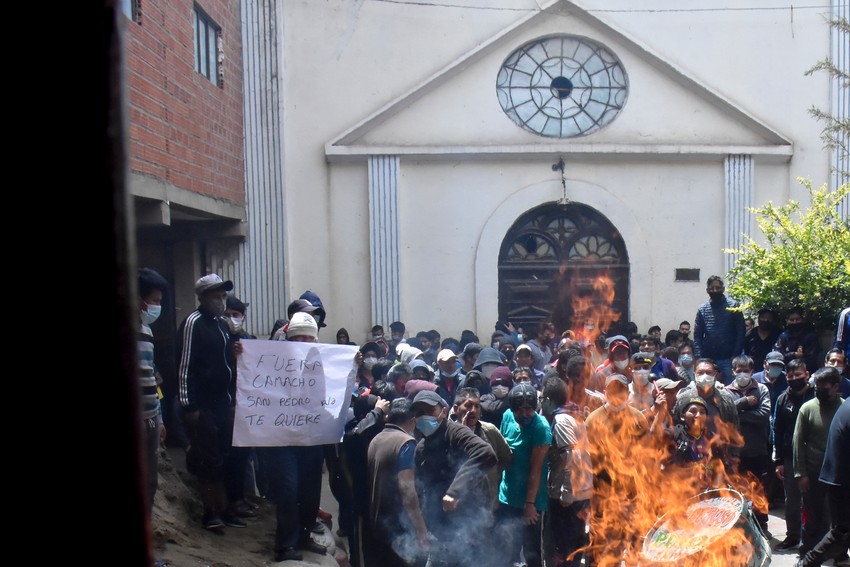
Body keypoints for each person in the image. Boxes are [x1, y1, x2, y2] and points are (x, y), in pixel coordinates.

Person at [259, 312, 333, 562]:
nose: (303, 342)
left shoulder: (323, 360)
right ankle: (285, 545)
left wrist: (352, 362)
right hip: (282, 439)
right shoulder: (270, 360)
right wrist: (241, 356)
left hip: (311, 436)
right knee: (289, 490)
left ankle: (303, 536)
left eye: (308, 338)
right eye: (298, 337)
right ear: (289, 338)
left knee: (310, 491)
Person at [177, 273, 247, 530]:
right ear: (202, 297)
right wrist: (189, 407)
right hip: (203, 407)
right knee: (208, 461)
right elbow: (185, 368)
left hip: (223, 404)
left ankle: (226, 509)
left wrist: (235, 351)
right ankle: (211, 513)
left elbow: (225, 362)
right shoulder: (193, 323)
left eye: (223, 295)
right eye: (216, 296)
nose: (221, 300)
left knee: (224, 457)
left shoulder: (221, 324)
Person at [411, 390, 497, 567]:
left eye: (429, 410)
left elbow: (485, 453)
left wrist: (455, 492)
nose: (424, 416)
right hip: (440, 529)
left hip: (470, 524)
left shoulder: (456, 432)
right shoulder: (421, 449)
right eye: (419, 413)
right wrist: (423, 528)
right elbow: (421, 489)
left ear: (443, 411)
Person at [585, 374, 649, 564]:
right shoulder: (593, 420)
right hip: (603, 495)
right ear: (604, 392)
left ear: (628, 392)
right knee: (604, 546)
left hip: (633, 494)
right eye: (611, 390)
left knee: (634, 546)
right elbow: (588, 462)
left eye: (620, 389)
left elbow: (646, 458)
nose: (616, 394)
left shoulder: (638, 418)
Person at [366, 397, 432, 567]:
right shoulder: (406, 443)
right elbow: (407, 490)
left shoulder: (376, 439)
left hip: (378, 521)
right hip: (400, 526)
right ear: (412, 421)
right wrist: (422, 531)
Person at [496, 383, 551, 567]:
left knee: (532, 553)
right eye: (521, 410)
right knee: (506, 551)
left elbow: (536, 469)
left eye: (530, 409)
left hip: (531, 501)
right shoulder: (507, 417)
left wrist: (529, 505)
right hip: (507, 497)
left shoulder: (540, 428)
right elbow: (503, 451)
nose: (526, 413)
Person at [793, 366, 845, 557]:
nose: (819, 389)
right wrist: (801, 473)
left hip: (838, 476)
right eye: (817, 386)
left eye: (824, 386)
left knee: (838, 519)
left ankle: (838, 555)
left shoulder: (844, 409)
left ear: (835, 386)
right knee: (811, 517)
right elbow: (797, 441)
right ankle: (807, 553)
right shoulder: (807, 409)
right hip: (813, 473)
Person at [540, 375, 592, 567]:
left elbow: (571, 456)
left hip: (569, 496)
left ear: (549, 399)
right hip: (579, 492)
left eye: (543, 398)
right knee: (573, 547)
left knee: (566, 549)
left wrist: (566, 491)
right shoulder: (572, 415)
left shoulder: (561, 420)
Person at [137, 267, 169, 554]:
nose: (155, 306)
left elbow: (149, 377)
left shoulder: (146, 330)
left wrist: (158, 418)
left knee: (150, 485)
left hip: (149, 419)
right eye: (153, 300)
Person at [773, 359, 816, 552]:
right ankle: (792, 537)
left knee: (816, 499)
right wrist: (779, 460)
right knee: (792, 500)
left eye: (798, 375)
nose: (794, 379)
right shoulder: (782, 399)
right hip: (790, 458)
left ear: (806, 375)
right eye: (790, 376)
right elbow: (777, 429)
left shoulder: (816, 396)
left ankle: (816, 539)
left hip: (814, 456)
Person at [726, 361, 772, 536]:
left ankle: (762, 526)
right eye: (739, 371)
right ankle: (740, 528)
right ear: (733, 371)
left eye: (746, 371)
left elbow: (763, 415)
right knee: (736, 492)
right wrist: (745, 402)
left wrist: (738, 414)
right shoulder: (727, 391)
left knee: (759, 490)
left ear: (753, 371)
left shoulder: (762, 390)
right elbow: (727, 415)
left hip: (757, 450)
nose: (743, 374)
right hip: (735, 452)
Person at [451, 387, 513, 513]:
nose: (473, 410)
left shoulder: (489, 430)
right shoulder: (447, 433)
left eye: (477, 406)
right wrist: (463, 432)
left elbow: (506, 457)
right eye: (468, 406)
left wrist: (492, 472)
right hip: (459, 509)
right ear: (457, 409)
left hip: (487, 506)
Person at [693, 275, 746, 385]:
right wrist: (699, 358)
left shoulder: (733, 306)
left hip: (729, 358)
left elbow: (740, 332)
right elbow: (697, 335)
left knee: (730, 389)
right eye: (711, 288)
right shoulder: (702, 309)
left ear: (723, 289)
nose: (715, 290)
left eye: (717, 288)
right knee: (706, 387)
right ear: (707, 290)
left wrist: (735, 355)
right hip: (708, 358)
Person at [775, 307, 822, 372]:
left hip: (807, 371)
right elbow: (777, 355)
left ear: (803, 320)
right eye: (792, 320)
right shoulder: (783, 336)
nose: (795, 322)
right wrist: (794, 354)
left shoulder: (811, 337)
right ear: (787, 321)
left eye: (797, 319)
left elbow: (811, 358)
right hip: (786, 371)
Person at [744, 307, 783, 371]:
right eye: (763, 317)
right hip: (753, 370)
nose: (766, 320)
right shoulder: (750, 334)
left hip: (773, 370)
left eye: (769, 318)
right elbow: (746, 353)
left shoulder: (778, 334)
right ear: (759, 318)